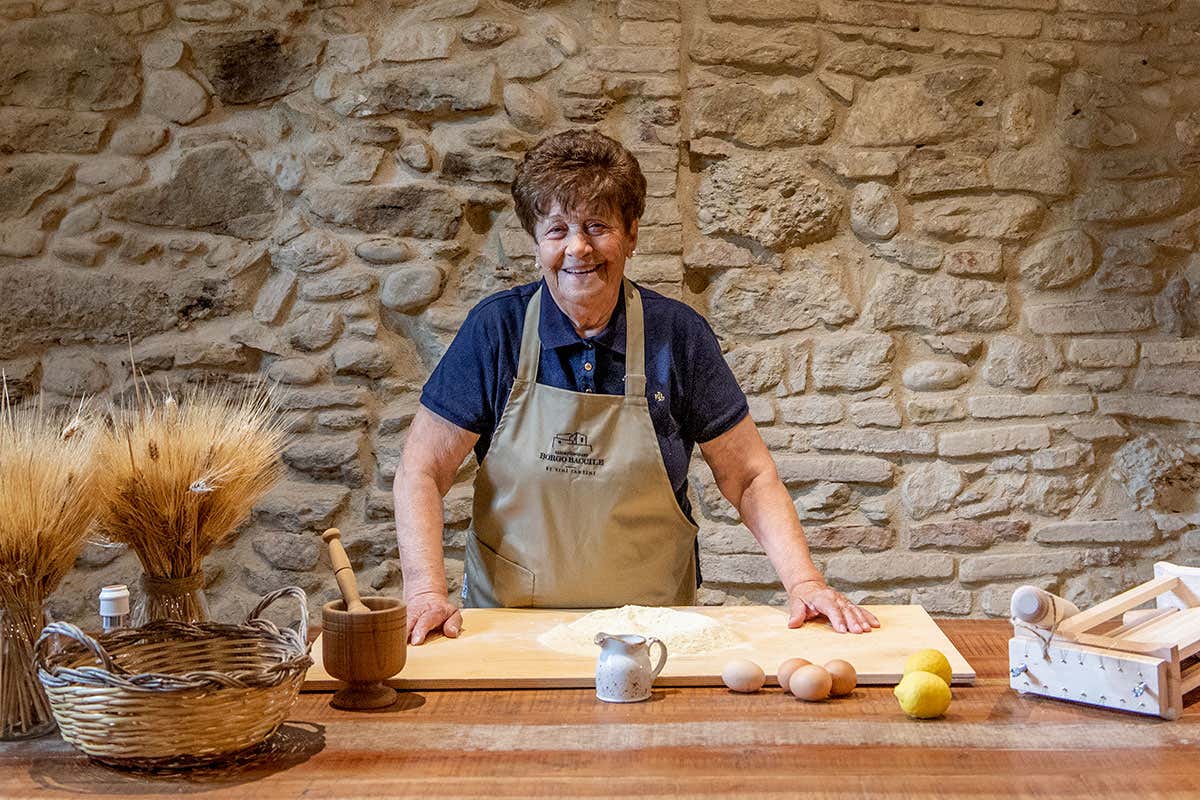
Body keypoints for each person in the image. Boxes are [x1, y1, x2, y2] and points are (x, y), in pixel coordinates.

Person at [394, 129, 880, 645]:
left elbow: (750, 477)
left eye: (597, 226)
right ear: (536, 243)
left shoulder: (678, 336)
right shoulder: (497, 331)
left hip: (653, 630)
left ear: (631, 235)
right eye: (557, 229)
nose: (578, 247)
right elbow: (422, 469)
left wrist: (804, 582)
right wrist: (425, 590)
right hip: (512, 628)